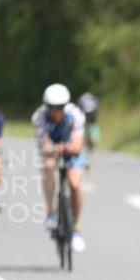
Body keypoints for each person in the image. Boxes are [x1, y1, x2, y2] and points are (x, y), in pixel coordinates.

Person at [32, 83, 88, 252]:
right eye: (53, 107)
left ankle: (76, 228)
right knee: (48, 166)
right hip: (53, 147)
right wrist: (52, 149)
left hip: (70, 148)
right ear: (46, 106)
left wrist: (66, 148)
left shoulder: (76, 115)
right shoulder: (39, 117)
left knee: (75, 183)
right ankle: (50, 212)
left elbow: (77, 146)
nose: (56, 111)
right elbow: (45, 144)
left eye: (60, 107)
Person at [77, 92, 101, 156]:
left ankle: (86, 136)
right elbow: (97, 105)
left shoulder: (82, 98)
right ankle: (95, 136)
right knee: (93, 125)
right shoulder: (93, 98)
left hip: (85, 114)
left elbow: (79, 106)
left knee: (84, 126)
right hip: (93, 113)